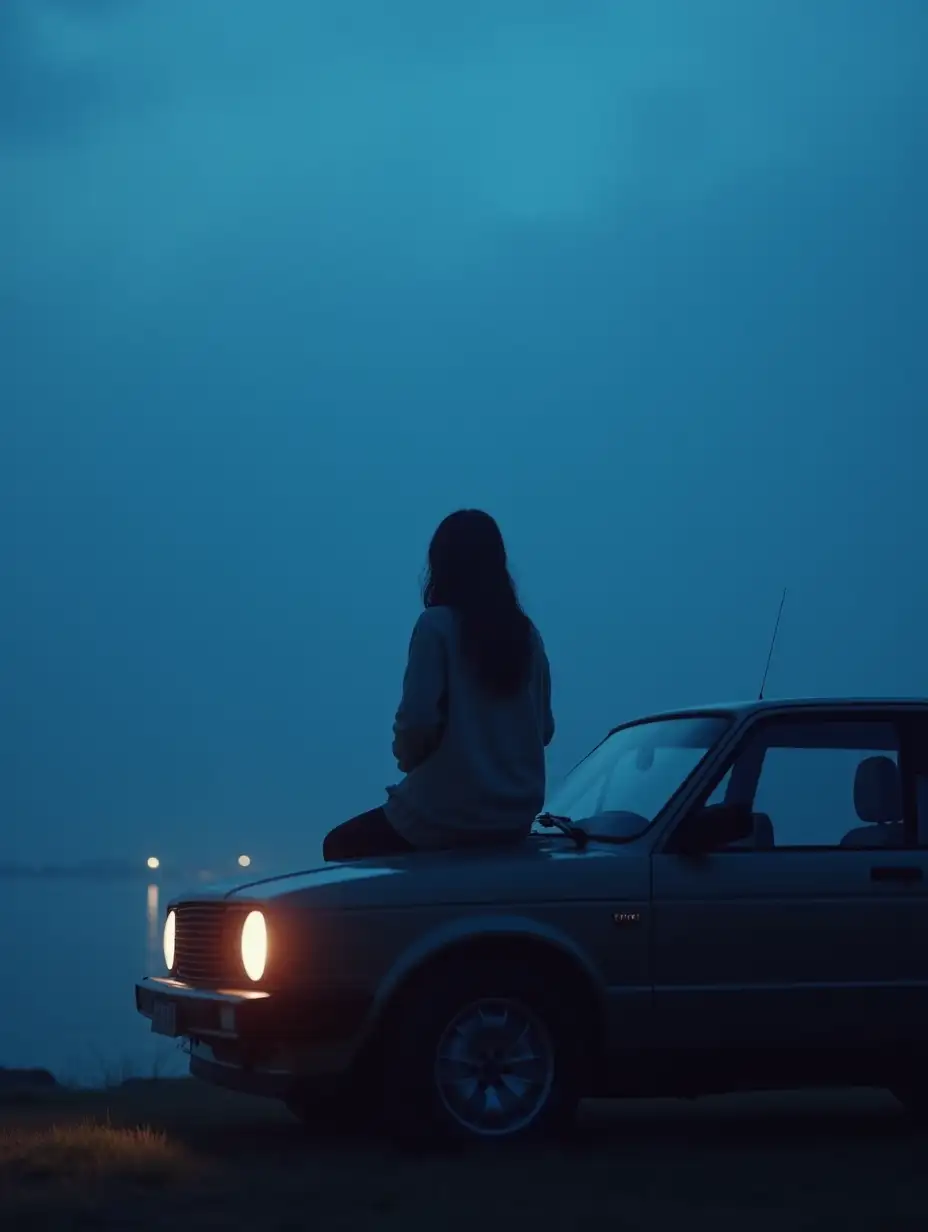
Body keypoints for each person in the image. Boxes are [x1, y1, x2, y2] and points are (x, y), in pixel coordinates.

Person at [321, 509, 555, 861]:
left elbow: (416, 723)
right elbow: (545, 731)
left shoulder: (436, 626)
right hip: (514, 819)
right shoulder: (527, 636)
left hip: (443, 815)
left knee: (339, 845)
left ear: (441, 565)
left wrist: (409, 759)